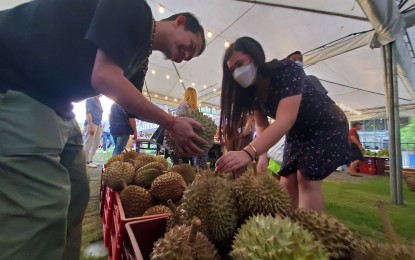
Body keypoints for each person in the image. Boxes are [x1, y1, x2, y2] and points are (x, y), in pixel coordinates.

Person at [0, 0, 207, 258]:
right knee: (41, 209)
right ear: (180, 22)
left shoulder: (140, 59)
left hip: (57, 101)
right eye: (192, 46)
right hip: (15, 80)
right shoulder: (135, 9)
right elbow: (104, 77)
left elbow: (129, 102)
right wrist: (172, 123)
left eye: (192, 56)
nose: (187, 56)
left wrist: (176, 126)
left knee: (77, 193)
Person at [215, 37, 350, 212]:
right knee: (286, 180)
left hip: (326, 125)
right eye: (232, 70)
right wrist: (262, 157)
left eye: (240, 64)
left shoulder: (287, 70)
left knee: (306, 178)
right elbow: (262, 127)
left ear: (255, 57)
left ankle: (310, 235)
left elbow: (285, 120)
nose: (237, 73)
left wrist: (247, 153)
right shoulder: (254, 93)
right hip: (297, 133)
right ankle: (288, 230)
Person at [176, 87, 206, 170]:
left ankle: (182, 173)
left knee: (182, 158)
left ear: (186, 94)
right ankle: (196, 173)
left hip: (183, 133)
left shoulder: (183, 104)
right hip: (194, 135)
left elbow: (178, 119)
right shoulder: (196, 108)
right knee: (193, 158)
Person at [83, 95, 103, 167]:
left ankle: (90, 160)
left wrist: (100, 123)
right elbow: (88, 113)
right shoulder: (90, 99)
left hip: (98, 123)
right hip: (91, 123)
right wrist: (91, 125)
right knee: (88, 143)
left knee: (96, 144)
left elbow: (99, 113)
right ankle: (86, 162)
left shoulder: (98, 101)